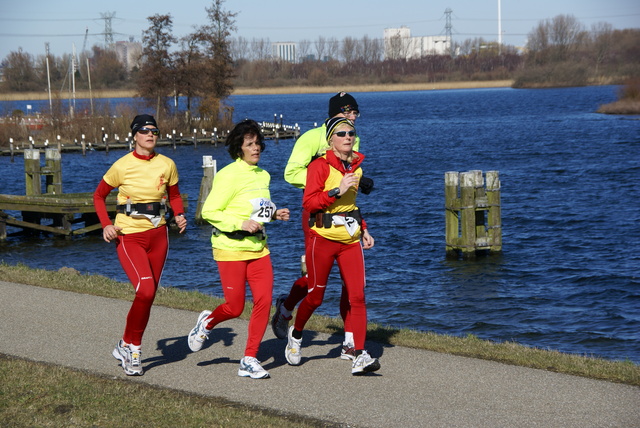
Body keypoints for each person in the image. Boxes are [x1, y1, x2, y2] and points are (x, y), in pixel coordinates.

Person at [272, 92, 373, 361]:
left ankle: (352, 343)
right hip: (316, 209)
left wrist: (357, 183)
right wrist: (326, 180)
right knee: (316, 283)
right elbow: (290, 173)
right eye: (348, 112)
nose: (352, 120)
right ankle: (287, 306)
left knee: (351, 287)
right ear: (334, 115)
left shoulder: (352, 137)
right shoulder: (310, 138)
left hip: (345, 216)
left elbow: (350, 168)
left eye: (355, 113)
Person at [187, 119, 290, 379]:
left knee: (264, 302)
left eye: (258, 143)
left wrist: (274, 214)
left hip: (258, 249)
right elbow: (209, 211)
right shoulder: (228, 175)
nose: (256, 148)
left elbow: (256, 209)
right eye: (250, 144)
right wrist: (239, 223)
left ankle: (249, 359)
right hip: (229, 247)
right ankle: (207, 323)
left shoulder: (263, 174)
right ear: (239, 148)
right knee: (234, 307)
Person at [93, 114, 187, 376]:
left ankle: (125, 343)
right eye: (145, 131)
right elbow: (99, 196)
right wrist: (106, 225)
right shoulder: (121, 166)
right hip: (129, 235)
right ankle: (134, 350)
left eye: (155, 131)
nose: (151, 135)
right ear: (135, 135)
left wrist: (178, 214)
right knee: (144, 290)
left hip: (159, 236)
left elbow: (174, 194)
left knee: (148, 296)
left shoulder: (167, 164)